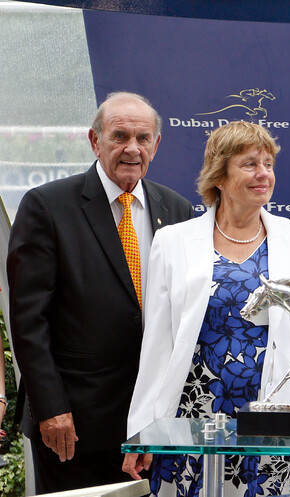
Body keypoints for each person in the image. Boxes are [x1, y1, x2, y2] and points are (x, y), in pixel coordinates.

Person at [121, 121, 290, 496]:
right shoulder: (172, 241)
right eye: (250, 164)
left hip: (276, 416)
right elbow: (158, 344)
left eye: (268, 164)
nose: (263, 175)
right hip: (195, 417)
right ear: (219, 177)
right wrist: (141, 429)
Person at [6, 92, 193, 493]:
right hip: (73, 428)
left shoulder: (176, 211)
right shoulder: (47, 206)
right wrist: (52, 408)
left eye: (143, 138)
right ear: (95, 140)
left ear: (156, 145)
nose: (132, 148)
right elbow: (28, 322)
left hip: (154, 422)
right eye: (119, 135)